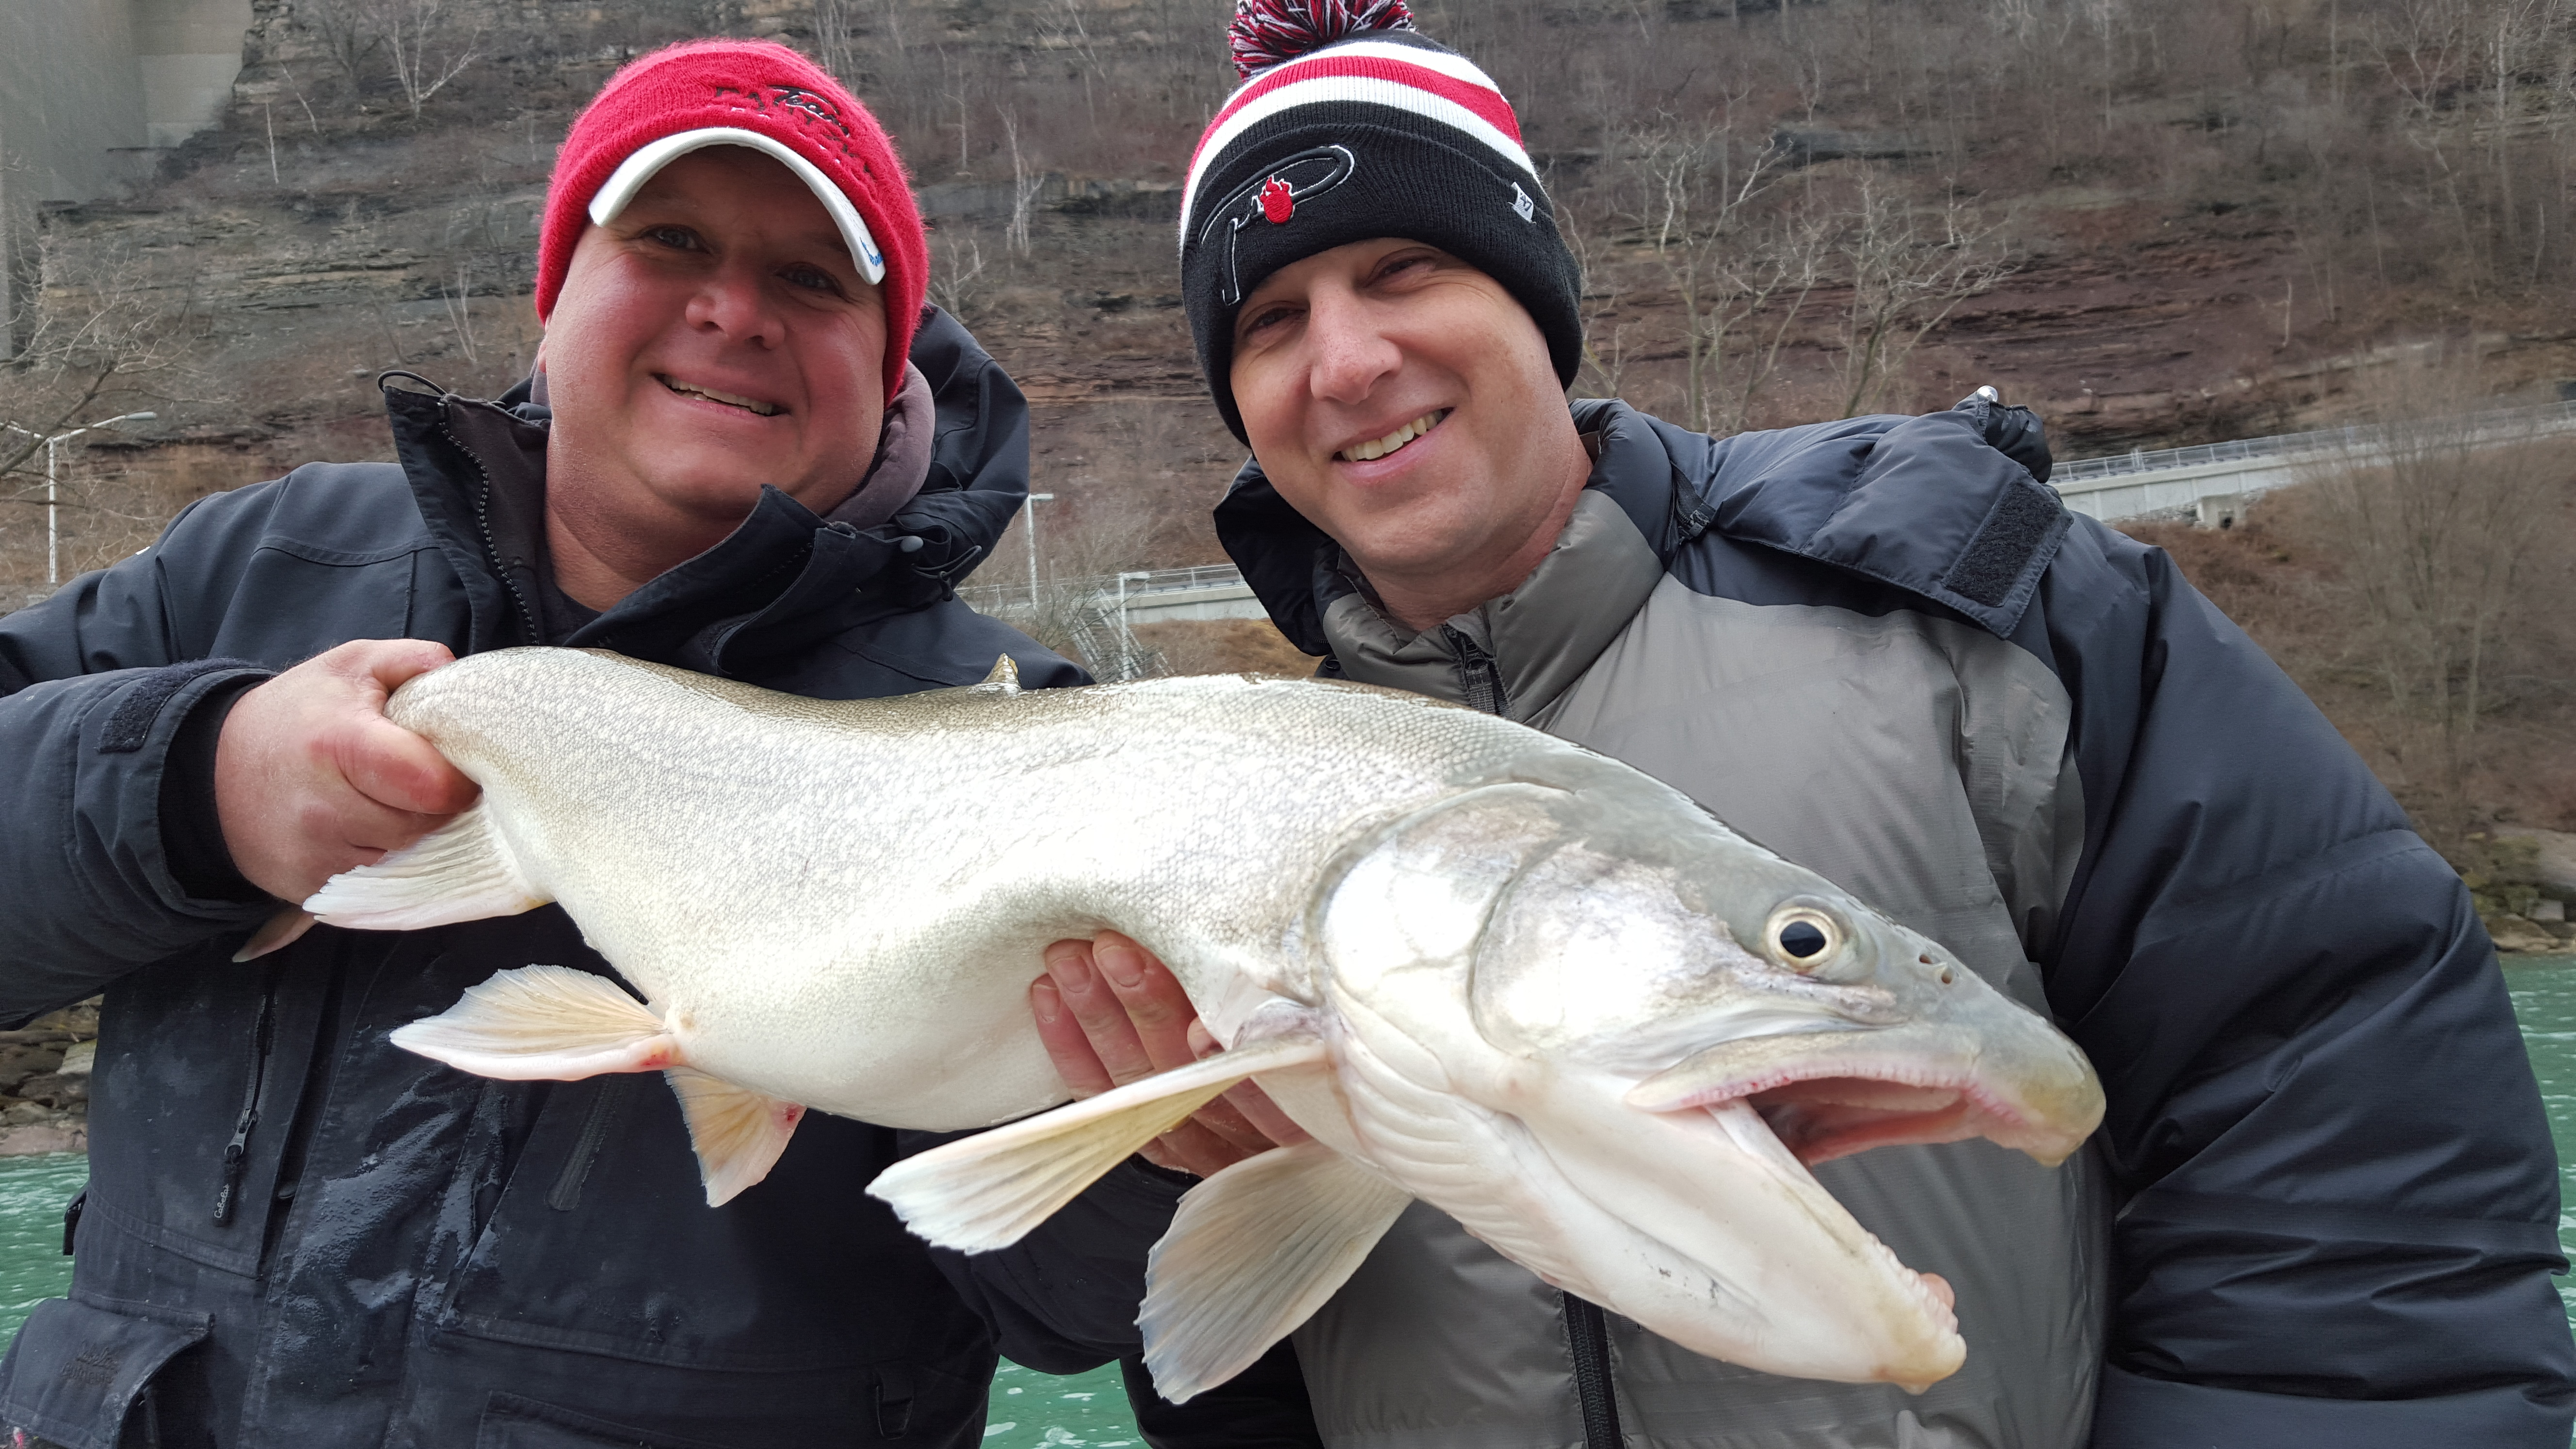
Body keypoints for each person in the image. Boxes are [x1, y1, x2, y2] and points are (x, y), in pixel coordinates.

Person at [1033, 3, 2576, 1447]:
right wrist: (1160, 1172)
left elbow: (2352, 1153)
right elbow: (1195, 1364)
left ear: (1536, 298)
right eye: (1272, 320)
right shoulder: (1220, 802)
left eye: (1404, 273)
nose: (1347, 361)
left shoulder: (1978, 607)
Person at [0, 40, 1206, 1449]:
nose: (732, 309)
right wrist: (198, 783)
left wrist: (1156, 1149)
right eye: (671, 238)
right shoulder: (254, 567)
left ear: (889, 372)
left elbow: (1063, 1315)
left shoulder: (1025, 729)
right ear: (556, 291)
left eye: (814, 280)